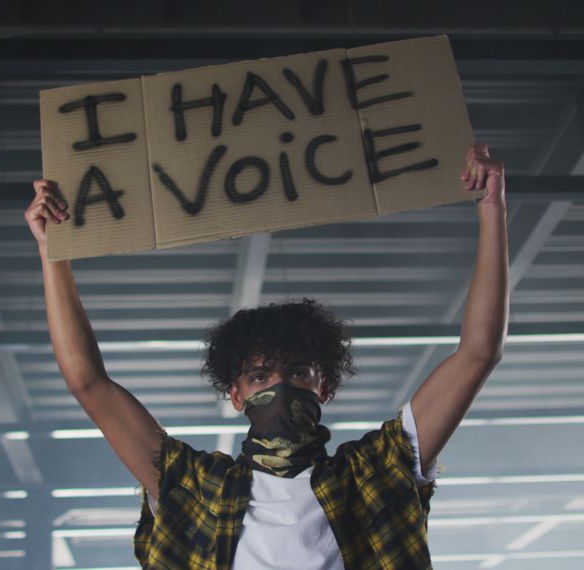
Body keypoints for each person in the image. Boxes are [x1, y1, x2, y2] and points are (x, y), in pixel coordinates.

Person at [25, 143, 509, 569]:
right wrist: (54, 251)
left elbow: (477, 353)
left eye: (298, 371)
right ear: (235, 395)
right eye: (259, 376)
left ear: (326, 387)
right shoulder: (192, 487)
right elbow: (88, 384)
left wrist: (492, 209)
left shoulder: (377, 472)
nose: (278, 386)